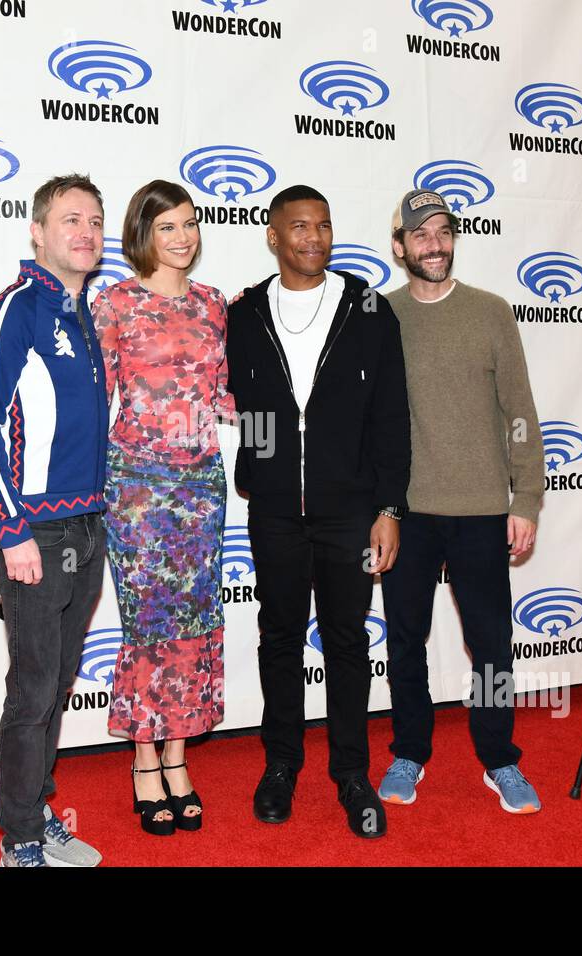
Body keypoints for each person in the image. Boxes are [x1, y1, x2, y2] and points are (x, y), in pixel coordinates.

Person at [225, 184, 410, 839]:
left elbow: (391, 415)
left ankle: (353, 775)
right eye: (299, 227)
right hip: (274, 511)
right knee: (278, 640)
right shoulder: (244, 314)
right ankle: (281, 767)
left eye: (324, 226)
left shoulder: (366, 305)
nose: (313, 238)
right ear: (273, 235)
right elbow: (243, 404)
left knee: (347, 643)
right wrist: (263, 470)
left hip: (350, 512)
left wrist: (388, 506)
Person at [377, 189, 545, 813]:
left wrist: (525, 497)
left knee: (493, 644)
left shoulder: (492, 312)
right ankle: (409, 751)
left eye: (443, 231)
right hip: (407, 515)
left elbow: (520, 414)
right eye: (421, 235)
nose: (435, 244)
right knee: (404, 639)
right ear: (400, 247)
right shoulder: (379, 315)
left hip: (482, 510)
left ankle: (499, 758)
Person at [0, 173, 109, 868]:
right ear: (38, 230)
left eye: (94, 222)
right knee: (32, 689)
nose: (85, 232)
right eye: (70, 219)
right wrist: (11, 526)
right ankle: (17, 838)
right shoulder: (13, 309)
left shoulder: (85, 311)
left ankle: (38, 808)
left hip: (88, 526)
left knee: (58, 681)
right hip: (37, 532)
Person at [93, 180, 231, 836]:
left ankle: (179, 756)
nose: (183, 237)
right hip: (138, 489)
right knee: (147, 621)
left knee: (196, 618)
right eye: (168, 227)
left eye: (191, 224)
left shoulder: (213, 304)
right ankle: (144, 759)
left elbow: (224, 393)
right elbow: (94, 402)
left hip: (201, 486)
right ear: (142, 234)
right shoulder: (114, 303)